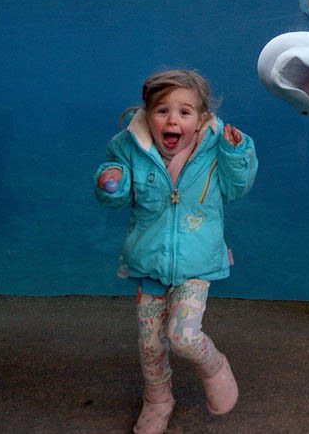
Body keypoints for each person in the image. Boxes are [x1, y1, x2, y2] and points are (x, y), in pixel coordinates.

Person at [94, 69, 257, 433]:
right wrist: (110, 183)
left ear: (200, 120)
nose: (172, 120)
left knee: (182, 336)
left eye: (184, 112)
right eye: (162, 110)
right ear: (147, 114)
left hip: (198, 263)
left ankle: (214, 366)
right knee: (150, 343)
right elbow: (116, 192)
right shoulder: (128, 147)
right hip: (148, 262)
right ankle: (158, 398)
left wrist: (236, 153)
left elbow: (236, 189)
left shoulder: (215, 147)